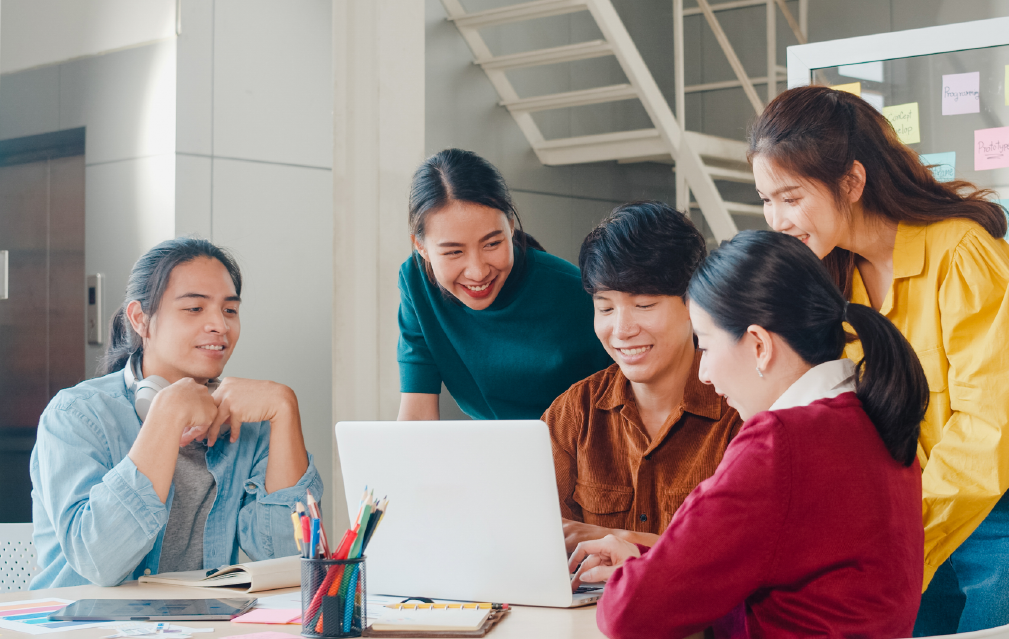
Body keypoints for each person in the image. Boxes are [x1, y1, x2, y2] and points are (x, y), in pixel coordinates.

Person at [569, 231, 928, 638]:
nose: (703, 373)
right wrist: (646, 562)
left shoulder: (780, 443)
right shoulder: (873, 417)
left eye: (705, 346)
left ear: (758, 344)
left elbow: (627, 616)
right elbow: (768, 575)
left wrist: (633, 579)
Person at [749, 85, 1009, 635]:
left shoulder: (961, 252)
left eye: (791, 197)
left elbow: (989, 427)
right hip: (907, 515)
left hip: (991, 516)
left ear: (852, 181)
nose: (777, 219)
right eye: (766, 200)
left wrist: (900, 530)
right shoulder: (833, 278)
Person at [30, 237, 322, 588]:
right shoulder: (76, 415)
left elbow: (295, 565)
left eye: (229, 310)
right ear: (140, 319)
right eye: (194, 309)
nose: (220, 325)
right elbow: (99, 561)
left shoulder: (250, 421)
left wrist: (284, 409)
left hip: (202, 625)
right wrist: (166, 415)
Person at [543, 201, 742, 553]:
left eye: (644, 305)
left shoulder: (740, 412)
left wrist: (631, 545)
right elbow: (528, 528)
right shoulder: (574, 413)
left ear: (694, 303)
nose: (621, 330)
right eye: (605, 308)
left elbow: (746, 558)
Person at [397, 148, 612, 420]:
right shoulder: (417, 283)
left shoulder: (578, 293)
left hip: (580, 454)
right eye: (454, 252)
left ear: (511, 227)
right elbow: (417, 419)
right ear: (421, 247)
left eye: (492, 243)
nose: (477, 272)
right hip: (495, 454)